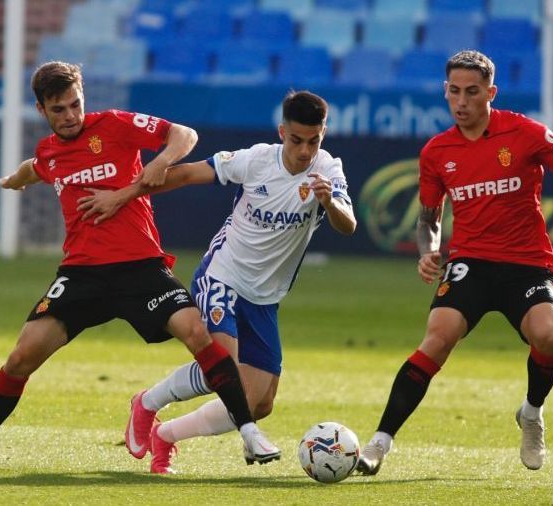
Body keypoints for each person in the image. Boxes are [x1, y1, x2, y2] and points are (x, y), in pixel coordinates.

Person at [0, 61, 279, 468]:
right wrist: (13, 180)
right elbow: (34, 169)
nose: (70, 116)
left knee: (196, 332)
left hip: (141, 267)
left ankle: (249, 434)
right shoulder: (48, 153)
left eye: (75, 105)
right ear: (41, 110)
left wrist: (159, 163)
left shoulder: (117, 126)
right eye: (59, 110)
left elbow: (184, 134)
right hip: (81, 274)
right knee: (21, 357)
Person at [77, 90, 356, 473]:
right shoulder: (256, 160)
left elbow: (348, 225)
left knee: (258, 402)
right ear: (281, 132)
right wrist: (126, 194)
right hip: (222, 275)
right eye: (296, 140)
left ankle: (166, 435)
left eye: (314, 141)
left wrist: (330, 203)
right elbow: (189, 173)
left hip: (264, 297)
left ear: (323, 134)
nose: (305, 151)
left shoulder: (328, 170)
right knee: (222, 363)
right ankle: (146, 403)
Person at [355, 50, 553, 475]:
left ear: (490, 93)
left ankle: (532, 413)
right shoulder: (436, 151)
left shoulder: (526, 133)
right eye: (453, 91)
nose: (461, 101)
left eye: (471, 92)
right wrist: (428, 250)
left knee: (550, 336)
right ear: (445, 92)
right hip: (471, 263)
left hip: (526, 263)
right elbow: (429, 217)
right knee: (438, 337)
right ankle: (379, 443)